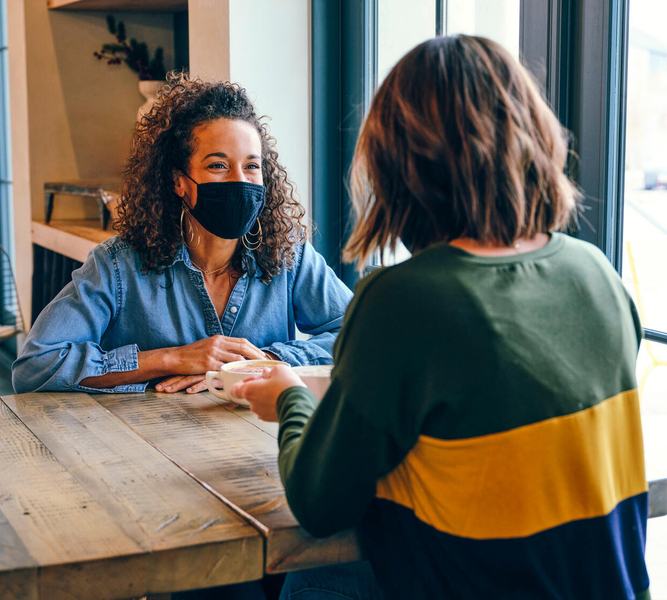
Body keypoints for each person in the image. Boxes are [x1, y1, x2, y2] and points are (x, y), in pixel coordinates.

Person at [231, 35, 651, 600]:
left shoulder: (403, 301)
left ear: (396, 165)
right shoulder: (595, 272)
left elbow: (319, 503)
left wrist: (289, 398)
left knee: (315, 580)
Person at [12, 73, 352, 395]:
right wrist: (170, 358)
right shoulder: (117, 266)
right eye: (218, 165)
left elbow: (361, 335)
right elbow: (35, 365)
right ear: (179, 182)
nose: (240, 180)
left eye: (251, 166)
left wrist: (259, 365)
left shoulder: (290, 256)